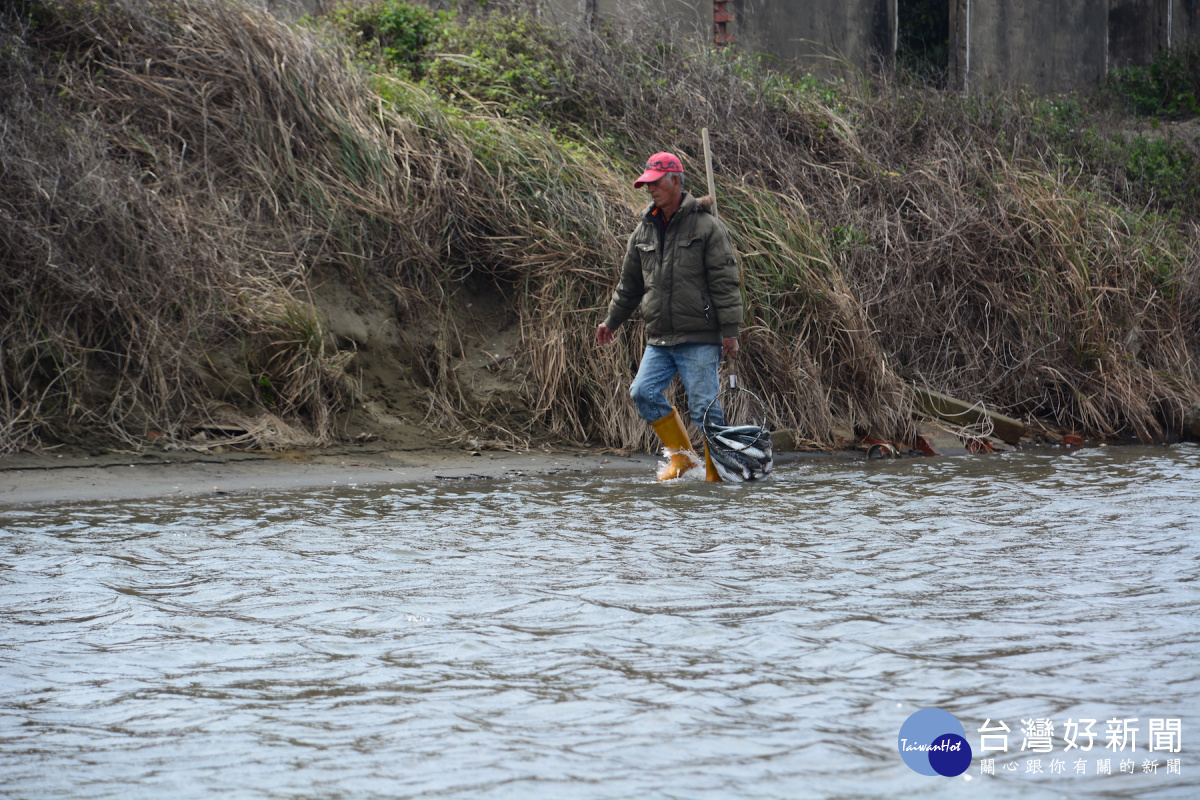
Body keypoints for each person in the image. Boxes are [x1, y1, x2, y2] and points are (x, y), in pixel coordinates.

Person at [596, 152, 743, 481]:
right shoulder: (643, 231)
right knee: (642, 392)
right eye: (645, 184)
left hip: (701, 335)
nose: (649, 189)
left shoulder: (708, 227)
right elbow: (629, 286)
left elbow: (726, 282)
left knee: (705, 405)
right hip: (660, 337)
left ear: (676, 181)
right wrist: (611, 321)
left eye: (655, 182)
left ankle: (719, 470)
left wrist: (730, 331)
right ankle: (684, 459)